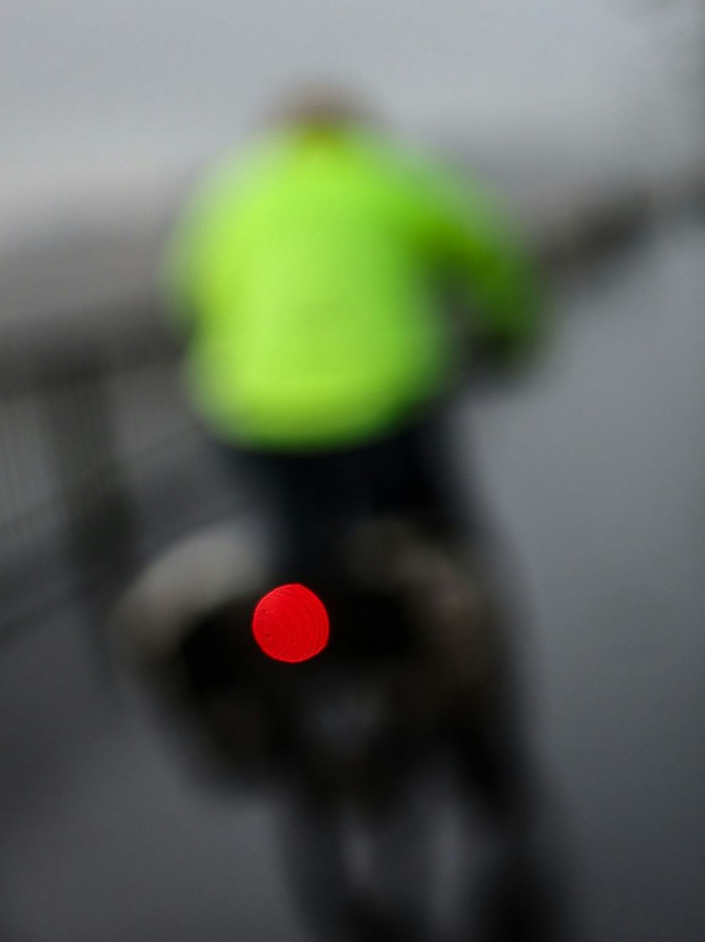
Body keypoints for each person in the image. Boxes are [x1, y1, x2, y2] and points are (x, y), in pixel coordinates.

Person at [166, 87, 542, 587]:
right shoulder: (393, 176)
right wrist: (512, 335)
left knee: (298, 550)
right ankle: (439, 628)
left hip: (256, 412)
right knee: (430, 539)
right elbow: (492, 256)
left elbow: (186, 298)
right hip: (386, 400)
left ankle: (298, 641)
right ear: (358, 130)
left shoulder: (235, 193)